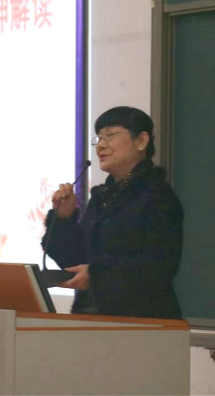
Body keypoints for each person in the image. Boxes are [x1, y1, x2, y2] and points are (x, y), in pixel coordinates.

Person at [42, 106, 184, 319]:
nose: (101, 145)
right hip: (91, 318)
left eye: (110, 136)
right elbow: (75, 261)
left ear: (141, 141)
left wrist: (97, 276)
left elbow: (158, 267)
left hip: (143, 320)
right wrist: (64, 218)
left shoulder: (158, 197)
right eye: (99, 138)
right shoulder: (101, 198)